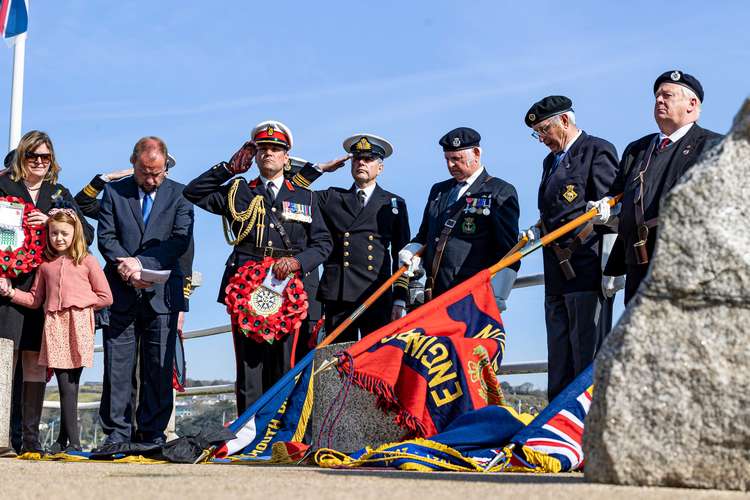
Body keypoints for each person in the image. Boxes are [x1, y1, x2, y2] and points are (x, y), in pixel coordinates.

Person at [183, 120, 344, 414]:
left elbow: (323, 244)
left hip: (289, 290)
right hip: (246, 290)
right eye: (263, 149)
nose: (269, 153)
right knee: (249, 366)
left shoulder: (304, 197)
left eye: (275, 149)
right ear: (255, 155)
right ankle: (248, 432)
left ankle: (279, 431)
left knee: (285, 363)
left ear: (286, 156)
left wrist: (297, 262)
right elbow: (193, 193)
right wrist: (228, 169)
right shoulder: (239, 191)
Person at [590, 70, 723, 304]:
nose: (659, 100)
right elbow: (619, 198)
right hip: (637, 262)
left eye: (667, 95)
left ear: (692, 104)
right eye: (657, 96)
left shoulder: (712, 146)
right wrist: (607, 211)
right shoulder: (637, 149)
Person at [0, 130, 94, 456]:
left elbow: (86, 235)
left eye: (46, 157)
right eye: (33, 156)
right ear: (22, 157)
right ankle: (2, 438)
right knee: (5, 358)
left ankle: (29, 441)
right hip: (7, 284)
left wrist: (53, 219)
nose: (39, 162)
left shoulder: (59, 194)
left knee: (34, 362)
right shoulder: (3, 186)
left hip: (46, 287)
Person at [96, 136, 194, 449]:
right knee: (118, 367)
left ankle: (152, 433)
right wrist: (126, 268)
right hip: (121, 292)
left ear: (165, 166)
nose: (151, 179)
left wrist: (139, 263)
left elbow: (179, 240)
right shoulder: (114, 192)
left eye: (157, 173)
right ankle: (117, 434)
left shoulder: (180, 194)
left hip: (161, 294)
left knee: (158, 368)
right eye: (144, 173)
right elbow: (106, 237)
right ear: (134, 164)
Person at [521, 95, 619, 400]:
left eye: (544, 130)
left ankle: (585, 427)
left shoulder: (596, 150)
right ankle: (554, 428)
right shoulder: (550, 161)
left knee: (585, 356)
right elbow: (557, 209)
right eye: (536, 133)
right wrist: (539, 227)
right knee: (559, 356)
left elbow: (612, 208)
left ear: (565, 121)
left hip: (587, 267)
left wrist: (608, 213)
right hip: (556, 271)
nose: (541, 139)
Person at [0, 208, 112, 452]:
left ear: (75, 234)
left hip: (79, 323)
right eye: (53, 233)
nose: (58, 238)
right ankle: (69, 440)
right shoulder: (45, 266)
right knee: (64, 382)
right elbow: (34, 299)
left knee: (71, 383)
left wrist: (79, 303)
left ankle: (70, 441)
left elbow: (106, 297)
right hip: (54, 326)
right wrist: (10, 293)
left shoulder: (88, 262)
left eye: (64, 233)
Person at [398, 127, 520, 306]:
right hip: (436, 294)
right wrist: (412, 249)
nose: (450, 165)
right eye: (447, 159)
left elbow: (509, 250)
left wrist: (499, 293)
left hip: (473, 295)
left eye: (456, 159)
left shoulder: (499, 191)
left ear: (476, 153)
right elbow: (425, 234)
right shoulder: (439, 190)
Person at [316, 134, 411, 343]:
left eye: (368, 159)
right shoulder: (332, 198)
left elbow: (403, 256)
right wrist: (321, 168)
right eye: (357, 158)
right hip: (339, 295)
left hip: (376, 295)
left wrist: (399, 299)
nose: (361, 163)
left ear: (380, 168)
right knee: (334, 367)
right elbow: (293, 193)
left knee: (375, 364)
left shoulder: (393, 204)